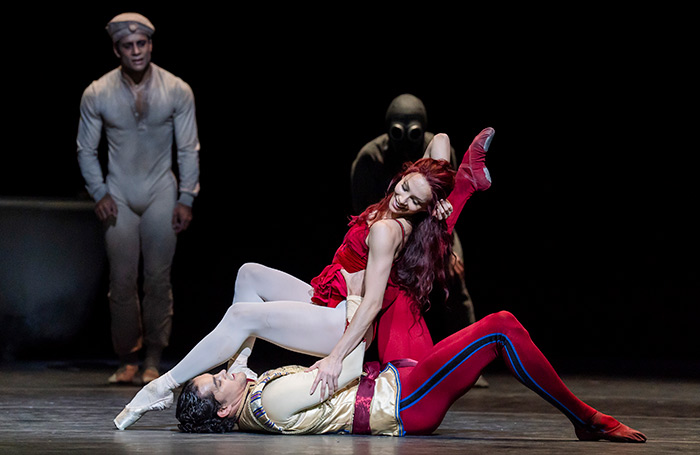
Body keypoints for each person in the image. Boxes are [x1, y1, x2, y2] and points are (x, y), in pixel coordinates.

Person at [113, 128, 493, 430]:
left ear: (423, 209)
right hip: (329, 295)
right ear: (406, 172)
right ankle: (242, 365)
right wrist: (441, 185)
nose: (402, 198)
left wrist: (334, 357)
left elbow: (374, 302)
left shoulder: (393, 228)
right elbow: (441, 138)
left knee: (243, 315)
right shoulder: (402, 198)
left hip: (346, 321)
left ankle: (162, 386)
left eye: (414, 201)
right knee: (249, 273)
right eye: (405, 185)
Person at [174, 270, 646, 443]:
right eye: (216, 381)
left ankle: (452, 194)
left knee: (400, 286)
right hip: (405, 402)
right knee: (501, 327)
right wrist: (359, 296)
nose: (224, 372)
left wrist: (167, 385)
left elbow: (241, 323)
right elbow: (350, 362)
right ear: (224, 408)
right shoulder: (267, 403)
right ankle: (587, 418)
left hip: (396, 378)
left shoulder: (246, 395)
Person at [76, 12, 201, 385]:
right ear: (117, 49)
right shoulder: (97, 92)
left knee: (158, 278)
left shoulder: (177, 89)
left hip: (161, 190)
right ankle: (127, 356)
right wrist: (99, 192)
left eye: (141, 44)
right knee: (122, 278)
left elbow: (189, 149)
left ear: (150, 44)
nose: (136, 51)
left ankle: (152, 357)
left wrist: (185, 198)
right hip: (120, 193)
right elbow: (85, 149)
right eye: (128, 46)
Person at [351, 94, 478, 348]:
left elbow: (443, 201)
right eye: (398, 131)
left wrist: (453, 252)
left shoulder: (433, 144)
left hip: (432, 225)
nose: (406, 140)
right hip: (390, 229)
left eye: (414, 131)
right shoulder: (371, 157)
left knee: (456, 285)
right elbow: (364, 212)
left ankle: (468, 353)